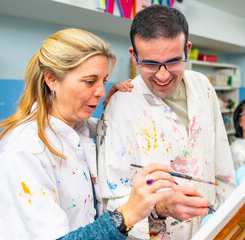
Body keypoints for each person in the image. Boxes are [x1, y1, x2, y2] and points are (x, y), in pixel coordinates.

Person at [0, 28, 178, 240]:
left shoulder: (81, 129)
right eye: (89, 81)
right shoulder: (24, 150)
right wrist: (127, 214)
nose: (101, 91)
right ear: (51, 79)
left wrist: (116, 106)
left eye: (103, 81)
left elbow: (114, 134)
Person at [96, 5, 237, 239]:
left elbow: (222, 163)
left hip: (210, 228)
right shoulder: (121, 105)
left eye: (173, 61)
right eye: (150, 63)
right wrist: (160, 209)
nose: (162, 75)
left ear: (187, 50)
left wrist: (230, 216)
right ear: (134, 56)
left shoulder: (203, 86)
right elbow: (112, 197)